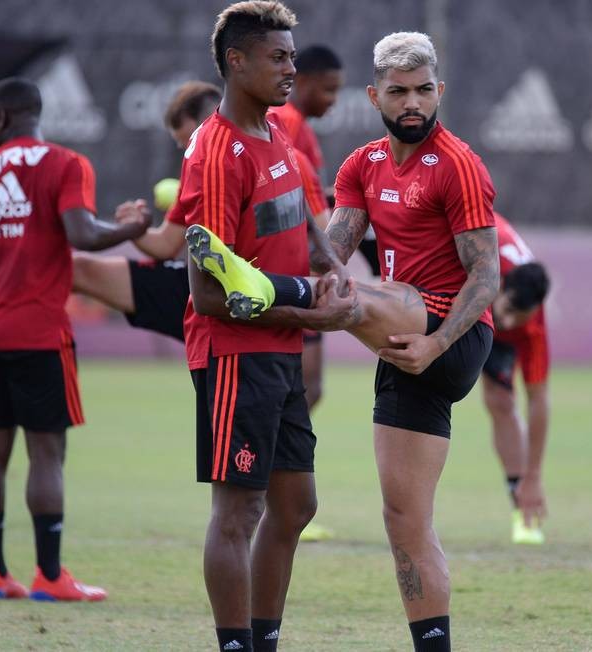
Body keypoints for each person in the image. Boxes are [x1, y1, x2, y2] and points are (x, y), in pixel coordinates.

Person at [198, 30, 500, 652]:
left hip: (451, 336)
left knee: (359, 294)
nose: (412, 103)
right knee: (405, 522)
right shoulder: (360, 166)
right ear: (376, 96)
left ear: (439, 90)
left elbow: (487, 275)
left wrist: (437, 345)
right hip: (398, 345)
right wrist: (310, 287)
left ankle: (256, 285)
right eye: (398, 93)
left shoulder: (459, 164)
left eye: (422, 91)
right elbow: (329, 261)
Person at [117, 3, 352, 650]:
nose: (291, 68)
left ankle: (263, 638)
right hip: (233, 352)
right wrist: (312, 307)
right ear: (235, 62)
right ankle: (235, 644)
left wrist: (331, 265)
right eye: (278, 57)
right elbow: (209, 296)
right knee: (238, 510)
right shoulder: (216, 155)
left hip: (280, 345)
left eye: (292, 56)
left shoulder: (278, 134)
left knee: (296, 505)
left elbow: (308, 222)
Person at [0, 77, 151, 601]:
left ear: (4, 118)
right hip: (35, 331)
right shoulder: (65, 164)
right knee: (46, 453)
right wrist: (132, 228)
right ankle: (50, 576)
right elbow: (82, 234)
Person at [69, 80, 222, 341]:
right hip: (197, 292)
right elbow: (166, 244)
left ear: (210, 121)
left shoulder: (256, 155)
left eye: (188, 138)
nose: (187, 149)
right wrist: (135, 228)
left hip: (240, 295)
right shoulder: (194, 170)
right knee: (75, 267)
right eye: (182, 142)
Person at [267, 43, 343, 412]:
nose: (333, 100)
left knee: (306, 390)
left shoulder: (299, 129)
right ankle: (275, 464)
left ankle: (277, 463)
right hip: (293, 270)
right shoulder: (286, 123)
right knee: (302, 390)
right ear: (306, 82)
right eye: (329, 89)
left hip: (299, 269)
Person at [481, 214, 551, 545]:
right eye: (507, 309)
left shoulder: (531, 329)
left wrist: (534, 476)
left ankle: (520, 505)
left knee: (501, 401)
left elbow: (538, 399)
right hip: (467, 294)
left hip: (484, 309)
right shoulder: (484, 242)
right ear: (501, 283)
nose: (506, 322)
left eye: (517, 318)